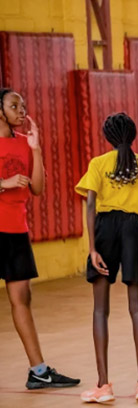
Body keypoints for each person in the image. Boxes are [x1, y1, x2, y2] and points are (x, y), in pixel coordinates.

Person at [75, 113, 138, 404]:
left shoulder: (98, 164)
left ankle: (103, 385)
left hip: (104, 230)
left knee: (100, 310)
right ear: (133, 135)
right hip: (133, 230)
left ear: (108, 137)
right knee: (137, 308)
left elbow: (90, 205)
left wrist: (93, 249)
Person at [0, 87, 80, 390]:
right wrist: (4, 183)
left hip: (16, 230)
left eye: (22, 105)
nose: (21, 110)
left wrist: (35, 149)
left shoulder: (24, 142)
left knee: (22, 300)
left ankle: (39, 371)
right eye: (14, 106)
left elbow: (37, 189)